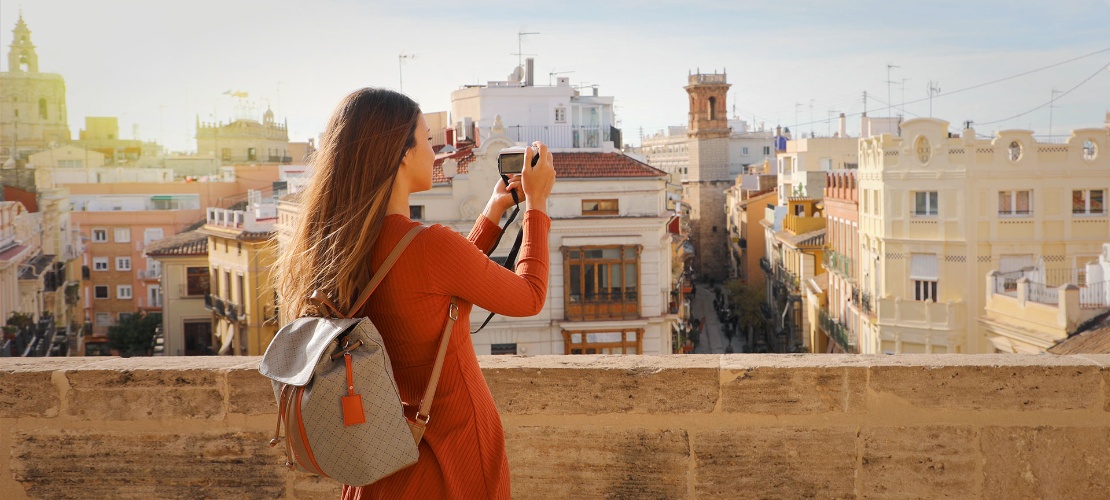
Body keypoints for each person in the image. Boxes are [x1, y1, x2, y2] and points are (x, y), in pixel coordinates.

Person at [274, 88, 557, 499]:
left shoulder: (341, 245)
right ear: (402, 153)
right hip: (452, 452)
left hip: (381, 456)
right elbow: (530, 295)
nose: (436, 152)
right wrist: (537, 205)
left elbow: (431, 287)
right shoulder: (429, 246)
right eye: (427, 139)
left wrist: (493, 213)